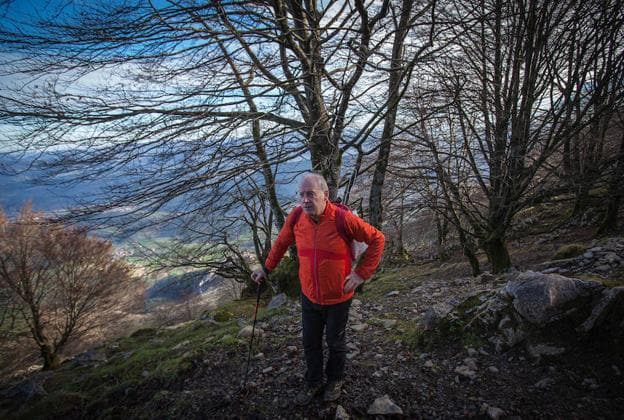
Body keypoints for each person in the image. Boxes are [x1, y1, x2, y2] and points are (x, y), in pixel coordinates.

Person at [251, 172, 385, 405]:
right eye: (301, 195)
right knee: (310, 342)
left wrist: (361, 274)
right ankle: (313, 382)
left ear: (325, 195)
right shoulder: (296, 217)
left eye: (310, 194)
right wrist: (266, 269)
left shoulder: (343, 219)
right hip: (309, 295)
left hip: (338, 297)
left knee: (335, 342)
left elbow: (377, 239)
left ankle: (335, 381)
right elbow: (281, 243)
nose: (305, 200)